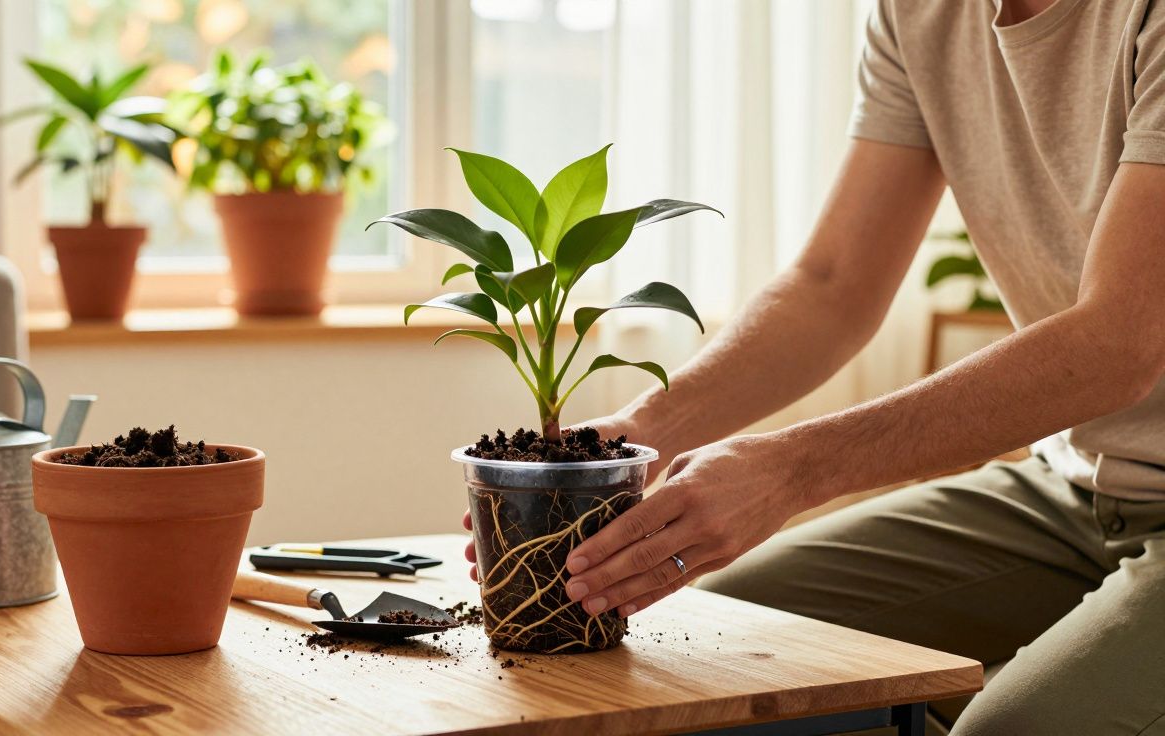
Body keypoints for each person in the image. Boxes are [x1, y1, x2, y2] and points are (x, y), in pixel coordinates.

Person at [458, 1, 1165, 733]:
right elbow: (833, 286)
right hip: (1072, 488)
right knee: (723, 647)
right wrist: (632, 439)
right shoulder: (919, 13)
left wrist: (793, 470)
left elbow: (1118, 344)